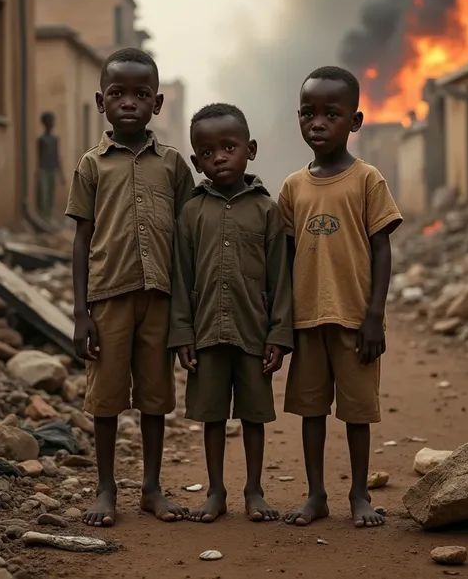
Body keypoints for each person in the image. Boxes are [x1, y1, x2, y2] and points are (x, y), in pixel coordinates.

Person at [65, 47, 194, 527]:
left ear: (157, 104)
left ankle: (152, 488)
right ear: (101, 102)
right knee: (106, 398)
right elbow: (81, 240)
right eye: (117, 94)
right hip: (107, 299)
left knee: (156, 396)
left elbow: (186, 237)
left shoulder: (174, 166)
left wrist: (188, 307)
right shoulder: (92, 165)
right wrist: (81, 313)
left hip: (159, 298)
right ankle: (105, 488)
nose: (129, 103)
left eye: (141, 95)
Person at [278, 66, 402, 529]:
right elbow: (286, 256)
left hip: (354, 319)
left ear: (355, 121)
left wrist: (374, 315)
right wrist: (282, 320)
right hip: (308, 320)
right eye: (308, 113)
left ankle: (359, 494)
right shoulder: (292, 186)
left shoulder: (367, 179)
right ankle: (316, 495)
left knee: (355, 412)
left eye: (331, 114)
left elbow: (381, 248)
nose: (318, 122)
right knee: (311, 410)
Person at [169, 103, 293, 523]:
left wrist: (279, 333)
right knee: (213, 417)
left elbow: (281, 278)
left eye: (228, 147)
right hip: (204, 333)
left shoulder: (267, 210)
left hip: (253, 331)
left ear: (250, 149)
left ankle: (254, 490)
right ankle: (216, 491)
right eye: (206, 152)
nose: (218, 157)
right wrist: (181, 333)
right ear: (195, 161)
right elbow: (181, 278)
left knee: (254, 416)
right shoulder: (190, 213)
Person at [36, 111, 65, 221]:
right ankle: (43, 217)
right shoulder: (41, 139)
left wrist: (61, 174)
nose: (51, 124)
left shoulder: (55, 139)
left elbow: (57, 156)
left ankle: (48, 217)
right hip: (43, 170)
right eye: (49, 122)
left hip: (52, 170)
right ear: (44, 123)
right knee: (43, 196)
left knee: (50, 195)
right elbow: (39, 157)